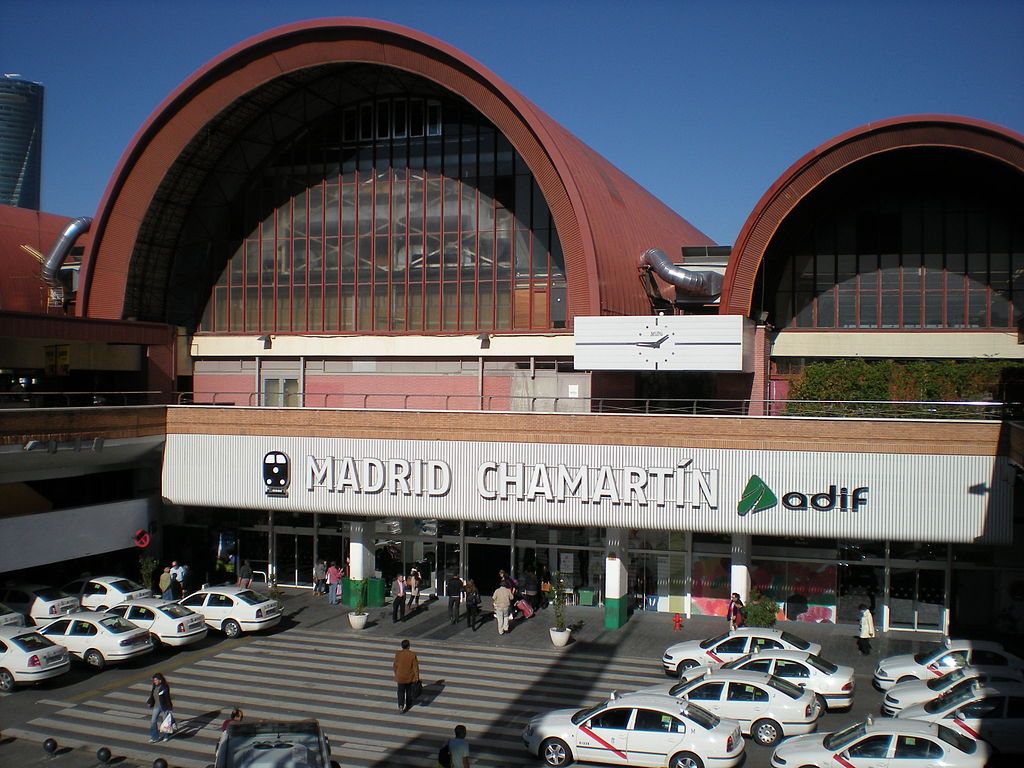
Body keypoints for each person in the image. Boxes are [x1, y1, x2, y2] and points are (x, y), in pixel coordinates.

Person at [392, 639, 420, 713]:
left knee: (400, 691)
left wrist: (396, 673)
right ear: (408, 646)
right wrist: (417, 677)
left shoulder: (398, 654)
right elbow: (415, 667)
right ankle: (408, 705)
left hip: (400, 676)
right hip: (409, 677)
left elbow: (395, 665)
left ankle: (401, 706)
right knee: (408, 691)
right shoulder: (412, 654)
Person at [147, 673, 174, 743]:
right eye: (154, 680)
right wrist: (150, 701)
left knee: (165, 722)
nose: (154, 681)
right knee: (153, 721)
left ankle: (166, 736)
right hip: (156, 706)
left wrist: (170, 707)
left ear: (160, 680)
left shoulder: (165, 687)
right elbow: (152, 695)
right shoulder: (154, 686)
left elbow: (167, 697)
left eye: (156, 680)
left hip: (164, 707)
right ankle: (154, 737)